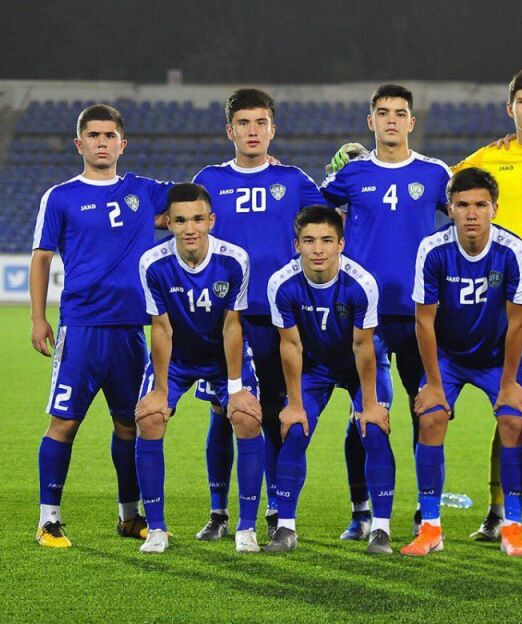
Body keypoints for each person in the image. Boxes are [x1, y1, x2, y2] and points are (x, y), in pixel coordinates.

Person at [30, 104, 172, 547]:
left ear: (122, 144)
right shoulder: (60, 197)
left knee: (130, 425)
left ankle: (129, 516)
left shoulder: (143, 190)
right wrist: (38, 316)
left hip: (131, 330)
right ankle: (48, 520)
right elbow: (41, 258)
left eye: (110, 135)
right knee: (64, 424)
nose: (102, 142)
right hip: (82, 329)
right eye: (94, 135)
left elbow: (198, 200)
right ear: (80, 144)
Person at [192, 88, 325, 539]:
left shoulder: (293, 180)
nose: (253, 131)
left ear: (273, 129)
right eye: (244, 123)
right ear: (230, 131)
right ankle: (218, 513)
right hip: (226, 318)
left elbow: (330, 219)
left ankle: (274, 509)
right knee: (222, 411)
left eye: (261, 123)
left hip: (277, 318)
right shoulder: (210, 179)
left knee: (272, 413)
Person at [320, 84, 451, 539]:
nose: (391, 120)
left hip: (419, 316)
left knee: (426, 413)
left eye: (399, 113)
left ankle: (424, 511)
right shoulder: (352, 175)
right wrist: (329, 173)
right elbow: (314, 212)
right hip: (364, 318)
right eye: (383, 112)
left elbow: (468, 213)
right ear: (370, 121)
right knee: (365, 414)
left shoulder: (435, 173)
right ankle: (361, 511)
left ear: (411, 122)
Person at [400, 168, 522, 558]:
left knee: (513, 421)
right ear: (450, 208)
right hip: (449, 356)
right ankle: (430, 528)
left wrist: (508, 383)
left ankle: (513, 528)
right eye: (462, 205)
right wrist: (434, 385)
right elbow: (424, 321)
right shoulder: (433, 249)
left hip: (497, 356)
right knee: (430, 418)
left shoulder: (513, 250)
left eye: (480, 205)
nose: (471, 214)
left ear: (495, 208)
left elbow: (518, 322)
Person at [134, 183, 264, 554]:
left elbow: (232, 325)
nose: (189, 228)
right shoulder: (153, 263)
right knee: (150, 418)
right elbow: (161, 329)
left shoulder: (234, 259)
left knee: (246, 418)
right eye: (180, 221)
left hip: (222, 357)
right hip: (177, 358)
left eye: (197, 219)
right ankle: (156, 528)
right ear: (168, 223)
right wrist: (161, 391)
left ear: (211, 221)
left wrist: (236, 387)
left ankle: (246, 528)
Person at [265, 206, 396, 555]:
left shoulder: (361, 283)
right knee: (295, 429)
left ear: (341, 244)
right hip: (314, 367)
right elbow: (290, 345)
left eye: (326, 240)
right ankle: (285, 528)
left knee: (374, 429)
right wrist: (295, 405)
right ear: (297, 245)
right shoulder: (281, 284)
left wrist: (370, 404)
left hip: (360, 364)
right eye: (309, 241)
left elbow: (363, 346)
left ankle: (381, 530)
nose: (318, 249)